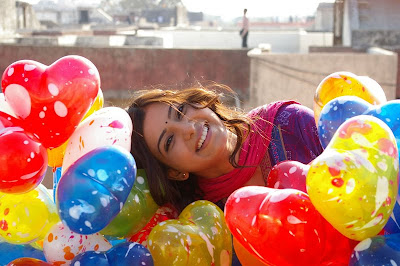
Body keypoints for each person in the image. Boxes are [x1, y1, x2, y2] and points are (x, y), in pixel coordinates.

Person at [127, 83, 323, 212]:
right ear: (174, 172)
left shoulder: (289, 123)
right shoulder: (203, 221)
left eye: (180, 112)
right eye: (169, 141)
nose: (188, 129)